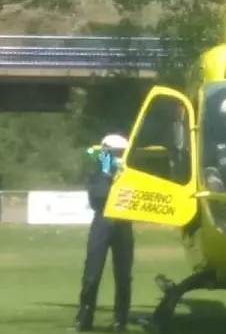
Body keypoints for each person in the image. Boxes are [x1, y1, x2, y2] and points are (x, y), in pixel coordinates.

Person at [75, 133, 134, 332]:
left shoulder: (130, 171)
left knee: (123, 275)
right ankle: (84, 319)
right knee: (92, 273)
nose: (116, 156)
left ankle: (120, 320)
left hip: (123, 221)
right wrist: (109, 176)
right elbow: (97, 196)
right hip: (103, 220)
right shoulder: (98, 171)